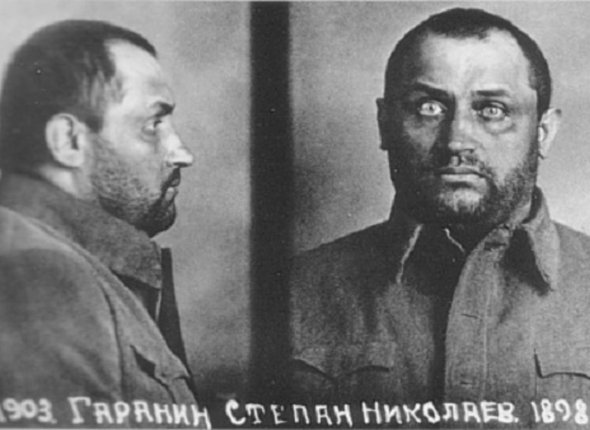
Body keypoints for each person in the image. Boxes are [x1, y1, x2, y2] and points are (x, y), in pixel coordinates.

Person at [287, 8, 590, 427]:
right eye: (429, 107)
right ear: (385, 124)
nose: (456, 141)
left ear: (543, 133)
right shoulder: (293, 292)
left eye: (492, 110)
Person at [0, 20, 209, 427]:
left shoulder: (78, 271)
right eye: (153, 125)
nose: (183, 153)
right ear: (69, 141)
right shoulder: (38, 275)